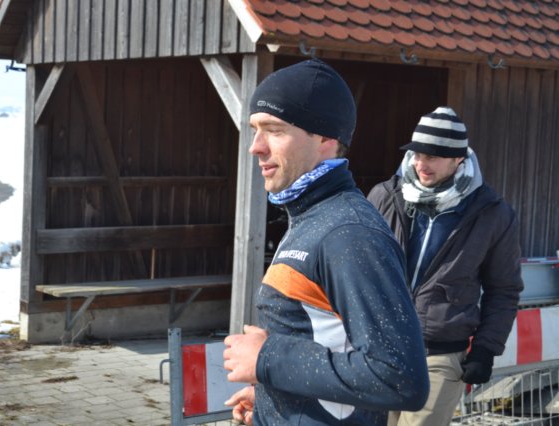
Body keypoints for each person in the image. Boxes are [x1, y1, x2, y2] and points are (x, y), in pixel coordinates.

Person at [222, 58, 429, 425]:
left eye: (274, 130)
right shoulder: (311, 217)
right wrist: (274, 397)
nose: (256, 146)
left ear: (325, 139)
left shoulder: (348, 232)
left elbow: (399, 378)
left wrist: (267, 359)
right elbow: (327, 342)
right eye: (254, 129)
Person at [367, 107, 524, 426]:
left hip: (439, 354)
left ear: (458, 159)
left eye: (433, 156)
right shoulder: (385, 196)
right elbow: (357, 268)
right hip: (379, 346)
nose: (421, 164)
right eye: (417, 154)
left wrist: (485, 349)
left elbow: (503, 289)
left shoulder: (492, 213)